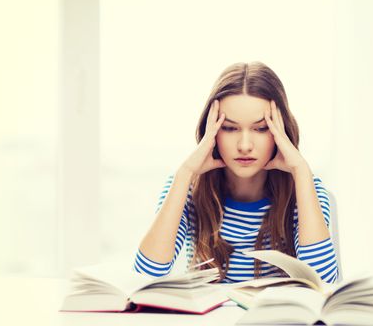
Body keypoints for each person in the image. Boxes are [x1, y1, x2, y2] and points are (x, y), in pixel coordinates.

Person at [134, 61, 338, 283]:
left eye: (261, 128)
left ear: (281, 131)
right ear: (211, 131)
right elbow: (145, 276)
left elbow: (324, 283)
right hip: (207, 318)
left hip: (277, 318)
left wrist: (300, 171)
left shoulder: (306, 188)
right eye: (229, 128)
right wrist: (185, 173)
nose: (244, 145)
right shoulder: (188, 187)